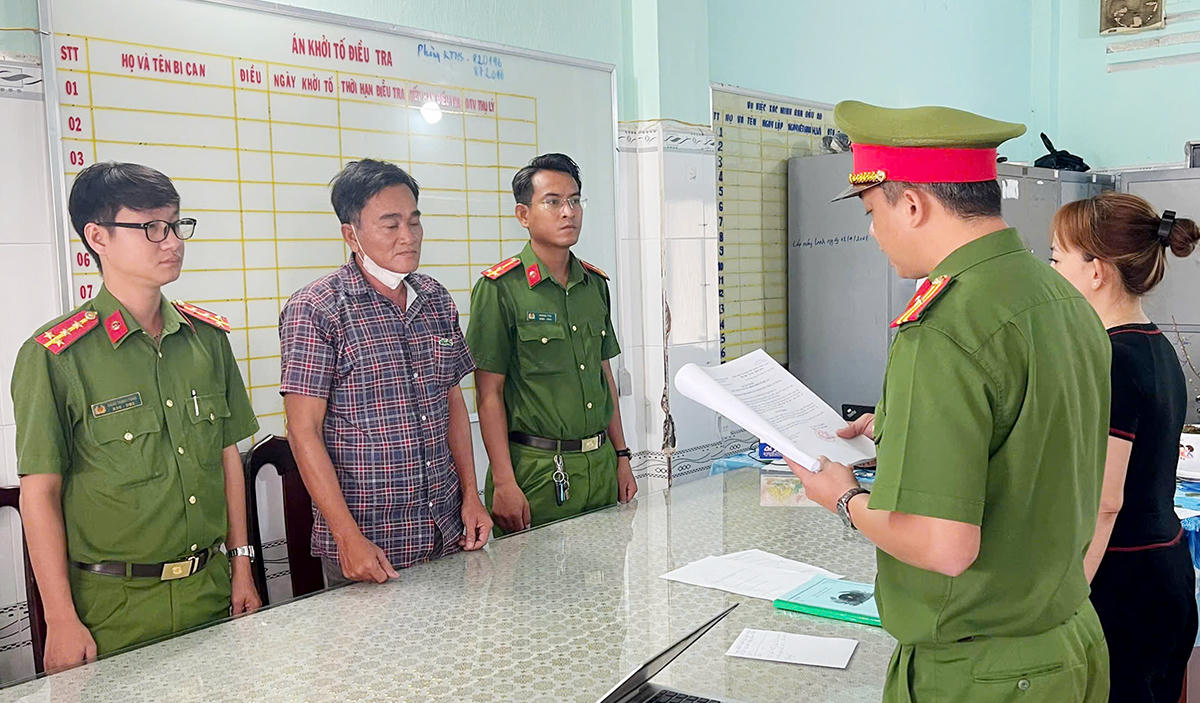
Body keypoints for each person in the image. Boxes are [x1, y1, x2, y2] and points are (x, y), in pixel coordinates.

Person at [791, 101, 1112, 701]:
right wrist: (896, 427)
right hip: (1071, 642)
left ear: (911, 205)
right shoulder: (1060, 297)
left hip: (983, 673)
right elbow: (1025, 437)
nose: (870, 231)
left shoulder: (942, 327)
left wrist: (843, 499)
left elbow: (944, 545)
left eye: (871, 211)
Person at [11, 162, 261, 670]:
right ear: (97, 236)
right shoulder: (54, 356)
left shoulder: (206, 341)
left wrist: (241, 569)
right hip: (112, 610)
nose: (171, 241)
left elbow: (227, 459)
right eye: (150, 227)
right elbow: (39, 494)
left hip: (210, 592)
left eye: (175, 224)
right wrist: (60, 619)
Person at [280, 159, 491, 585]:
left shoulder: (434, 298)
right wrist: (346, 536)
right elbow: (304, 431)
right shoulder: (317, 309)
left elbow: (452, 402)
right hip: (371, 547)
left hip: (448, 532)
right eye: (390, 224)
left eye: (414, 222)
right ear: (350, 234)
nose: (408, 237)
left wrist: (472, 496)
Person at [1049, 192, 1200, 701]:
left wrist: (1066, 602)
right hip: (1167, 567)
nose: (1050, 272)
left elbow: (1106, 502)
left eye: (1055, 258)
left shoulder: (1110, 358)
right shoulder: (1155, 345)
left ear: (1097, 270)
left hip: (1123, 580)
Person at [467, 153, 636, 535]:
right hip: (538, 473)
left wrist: (622, 456)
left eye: (575, 200)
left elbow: (603, 374)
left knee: (605, 589)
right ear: (523, 215)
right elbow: (488, 395)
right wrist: (506, 483)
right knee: (537, 591)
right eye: (553, 202)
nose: (568, 212)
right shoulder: (500, 289)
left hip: (600, 467)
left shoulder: (594, 285)